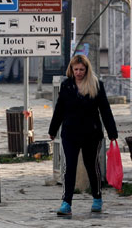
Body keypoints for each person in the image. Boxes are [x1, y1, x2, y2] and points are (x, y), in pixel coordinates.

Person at [48, 55, 118, 216]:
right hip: (70, 133)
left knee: (91, 166)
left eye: (81, 69)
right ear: (71, 69)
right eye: (76, 69)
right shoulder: (66, 85)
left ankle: (97, 197)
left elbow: (105, 109)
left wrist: (112, 132)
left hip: (91, 133)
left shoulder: (96, 85)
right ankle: (66, 202)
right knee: (69, 167)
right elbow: (59, 109)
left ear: (87, 70)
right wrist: (53, 130)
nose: (78, 72)